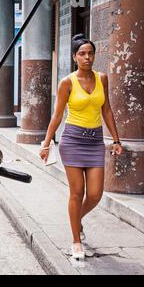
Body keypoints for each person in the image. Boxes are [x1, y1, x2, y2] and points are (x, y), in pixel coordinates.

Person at [40, 34, 123, 260]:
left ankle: (76, 220)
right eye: (82, 54)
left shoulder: (102, 78)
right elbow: (57, 115)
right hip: (73, 140)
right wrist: (46, 144)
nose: (87, 57)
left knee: (95, 194)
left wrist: (116, 140)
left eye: (90, 53)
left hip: (95, 141)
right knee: (77, 193)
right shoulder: (67, 82)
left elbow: (107, 110)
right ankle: (76, 240)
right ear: (75, 57)